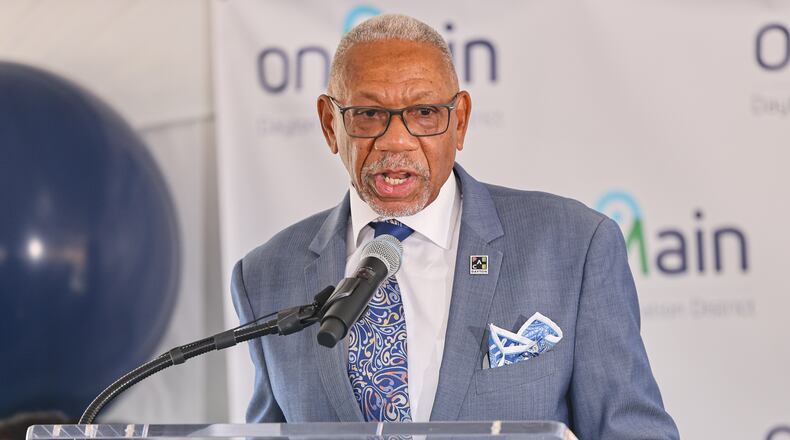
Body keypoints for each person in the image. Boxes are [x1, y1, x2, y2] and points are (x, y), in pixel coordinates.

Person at [231, 13, 679, 439]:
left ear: (459, 121)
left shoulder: (572, 246)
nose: (396, 139)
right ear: (331, 125)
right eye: (368, 114)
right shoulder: (266, 276)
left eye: (424, 112)